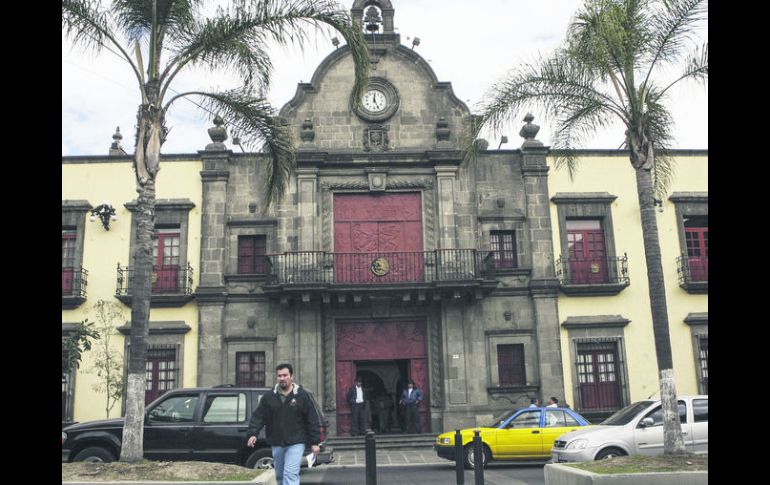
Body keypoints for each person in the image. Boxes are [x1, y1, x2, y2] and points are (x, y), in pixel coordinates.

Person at [247, 363, 320, 485]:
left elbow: (312, 419)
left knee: (290, 473)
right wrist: (253, 433)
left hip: (296, 442)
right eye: (279, 376)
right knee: (280, 476)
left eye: (285, 375)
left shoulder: (302, 396)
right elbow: (259, 416)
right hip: (277, 442)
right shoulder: (269, 397)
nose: (282, 378)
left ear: (292, 376)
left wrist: (314, 442)